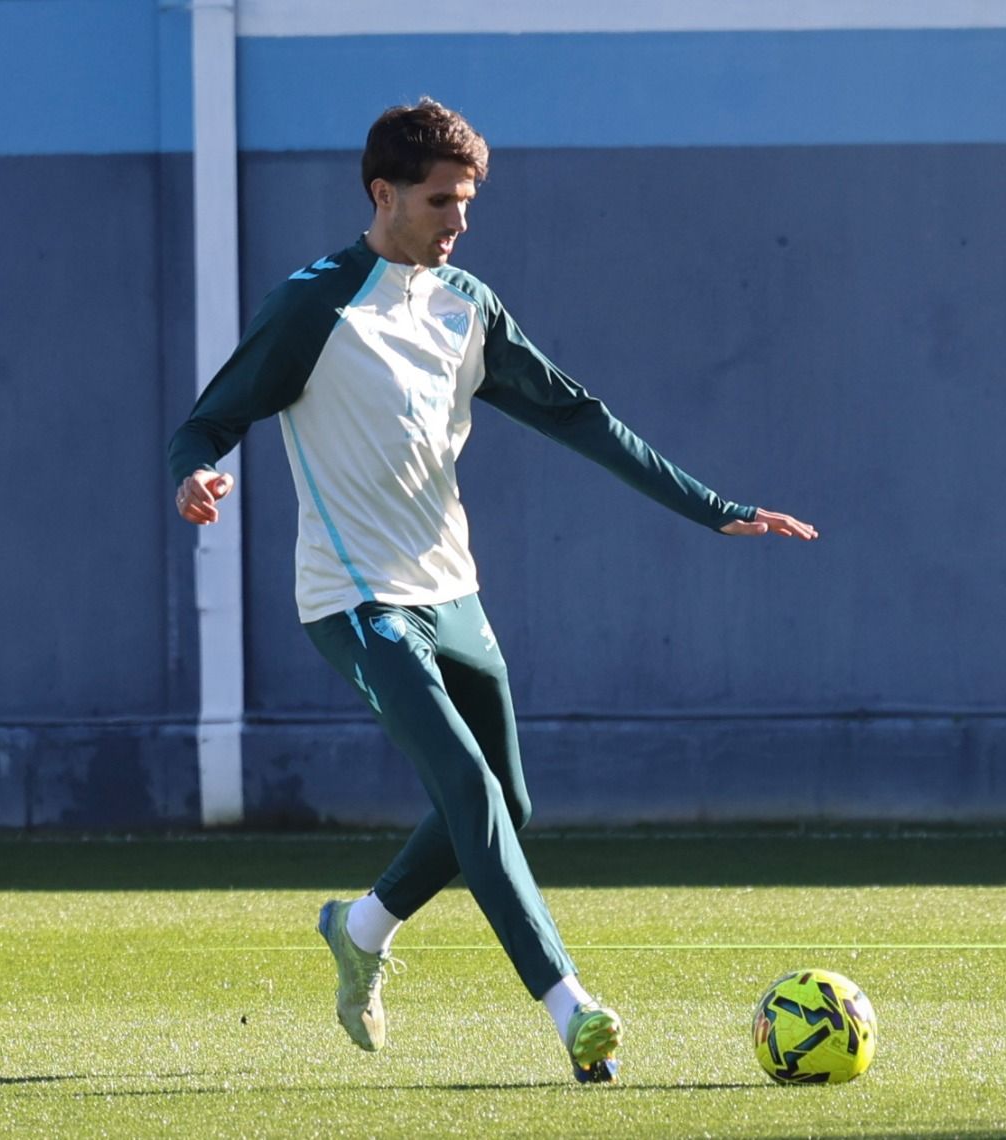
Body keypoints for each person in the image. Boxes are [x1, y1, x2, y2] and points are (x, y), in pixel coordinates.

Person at [168, 98, 817, 1084]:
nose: (458, 219)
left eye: (467, 200)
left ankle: (362, 926)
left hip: (451, 594)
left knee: (507, 802)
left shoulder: (466, 302)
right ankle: (571, 1008)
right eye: (439, 200)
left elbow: (578, 416)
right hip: (355, 601)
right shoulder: (314, 304)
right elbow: (208, 419)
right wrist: (196, 472)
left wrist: (711, 507)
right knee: (465, 786)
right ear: (382, 193)